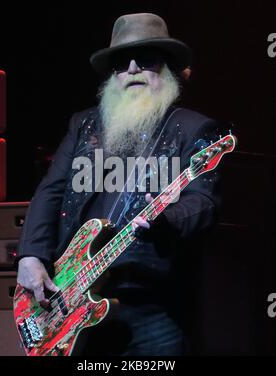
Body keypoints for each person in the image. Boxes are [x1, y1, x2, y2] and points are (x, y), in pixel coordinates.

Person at [16, 13, 221, 356]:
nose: (132, 68)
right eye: (121, 63)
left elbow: (204, 203)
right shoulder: (84, 125)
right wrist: (31, 255)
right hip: (72, 297)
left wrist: (164, 220)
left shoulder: (194, 129)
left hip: (150, 303)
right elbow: (51, 191)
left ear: (167, 68)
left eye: (146, 59)